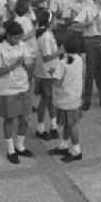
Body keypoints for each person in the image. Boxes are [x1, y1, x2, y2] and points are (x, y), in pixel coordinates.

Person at [0, 21, 35, 164]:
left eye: (20, 38)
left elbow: (29, 65)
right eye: (15, 38)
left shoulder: (23, 45)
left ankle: (20, 146)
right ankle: (10, 149)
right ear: (8, 36)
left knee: (25, 118)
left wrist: (27, 66)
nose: (18, 41)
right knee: (9, 119)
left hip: (23, 86)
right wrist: (16, 64)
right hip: (8, 88)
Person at [48, 37, 84, 162]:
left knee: (72, 125)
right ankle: (64, 145)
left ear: (64, 48)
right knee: (69, 124)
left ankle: (76, 151)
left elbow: (57, 83)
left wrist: (52, 73)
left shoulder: (62, 63)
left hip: (65, 99)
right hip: (75, 97)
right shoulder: (79, 59)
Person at [33, 10, 60, 140]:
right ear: (50, 22)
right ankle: (40, 128)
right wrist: (61, 51)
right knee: (45, 101)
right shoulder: (46, 37)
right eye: (55, 20)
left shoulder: (48, 34)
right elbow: (47, 57)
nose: (57, 22)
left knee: (51, 100)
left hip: (50, 71)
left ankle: (53, 126)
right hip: (46, 73)